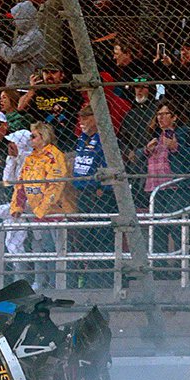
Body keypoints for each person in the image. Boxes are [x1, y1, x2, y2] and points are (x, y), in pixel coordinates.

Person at [11, 121, 74, 290]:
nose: (30, 139)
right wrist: (17, 207)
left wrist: (42, 210)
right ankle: (40, 283)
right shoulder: (30, 158)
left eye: (33, 136)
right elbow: (21, 184)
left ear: (43, 137)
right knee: (38, 247)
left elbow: (56, 186)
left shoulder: (55, 156)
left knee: (54, 249)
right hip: (37, 212)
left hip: (56, 212)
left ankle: (58, 285)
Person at [139, 100, 190, 276]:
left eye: (165, 114)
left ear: (175, 117)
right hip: (155, 188)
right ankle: (160, 269)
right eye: (159, 114)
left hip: (175, 187)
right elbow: (138, 155)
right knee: (157, 230)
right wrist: (145, 150)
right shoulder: (153, 135)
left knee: (177, 226)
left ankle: (186, 268)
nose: (161, 118)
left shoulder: (184, 133)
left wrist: (176, 147)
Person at [71, 103, 114, 287]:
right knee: (86, 238)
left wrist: (101, 189)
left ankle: (103, 279)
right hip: (82, 193)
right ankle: (89, 278)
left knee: (102, 237)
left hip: (98, 195)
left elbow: (108, 165)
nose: (82, 122)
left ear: (97, 119)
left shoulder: (105, 139)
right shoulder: (81, 138)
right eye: (80, 118)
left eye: (86, 117)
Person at [0, 0, 43, 90]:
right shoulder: (23, 34)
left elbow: (12, 56)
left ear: (25, 18)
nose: (13, 22)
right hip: (16, 84)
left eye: (16, 19)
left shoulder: (34, 36)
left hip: (24, 86)